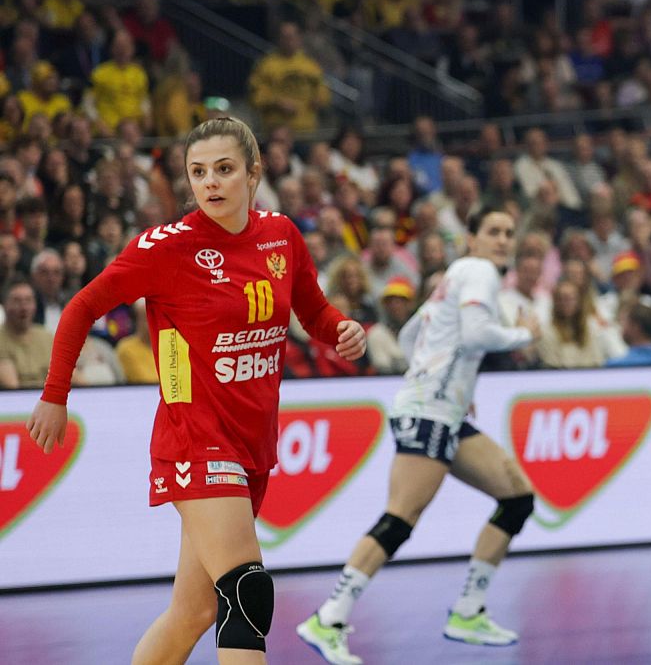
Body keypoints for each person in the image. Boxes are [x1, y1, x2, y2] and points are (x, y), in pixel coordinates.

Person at [26, 116, 364, 665]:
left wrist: (339, 329)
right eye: (198, 172)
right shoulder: (168, 248)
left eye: (224, 170)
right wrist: (54, 394)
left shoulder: (281, 235)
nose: (210, 183)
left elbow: (313, 310)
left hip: (252, 442)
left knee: (194, 612)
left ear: (254, 174)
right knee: (247, 590)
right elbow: (82, 306)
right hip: (194, 440)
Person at [299, 209, 540, 664]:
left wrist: (446, 382)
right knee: (401, 518)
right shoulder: (480, 271)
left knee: (517, 497)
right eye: (493, 232)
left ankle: (468, 610)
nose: (504, 240)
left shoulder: (454, 276)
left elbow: (412, 335)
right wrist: (520, 334)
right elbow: (474, 333)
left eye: (510, 232)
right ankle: (327, 618)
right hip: (430, 411)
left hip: (442, 410)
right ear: (471, 238)